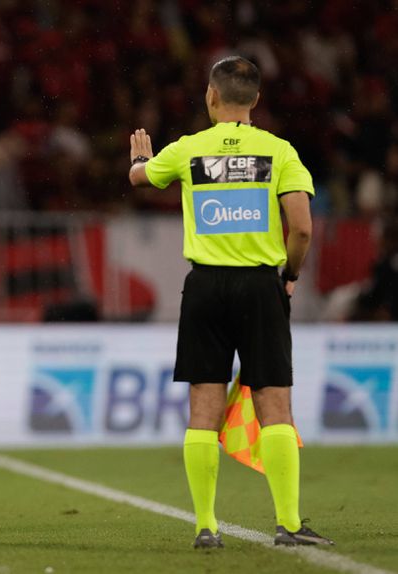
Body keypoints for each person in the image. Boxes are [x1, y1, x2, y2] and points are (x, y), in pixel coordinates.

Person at [128, 56, 334, 549]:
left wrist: (139, 160)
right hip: (261, 288)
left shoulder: (189, 149)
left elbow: (139, 180)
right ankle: (288, 523)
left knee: (204, 409)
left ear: (211, 96)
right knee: (274, 405)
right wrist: (290, 276)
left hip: (205, 289)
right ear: (256, 100)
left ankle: (206, 527)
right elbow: (302, 228)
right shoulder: (279, 150)